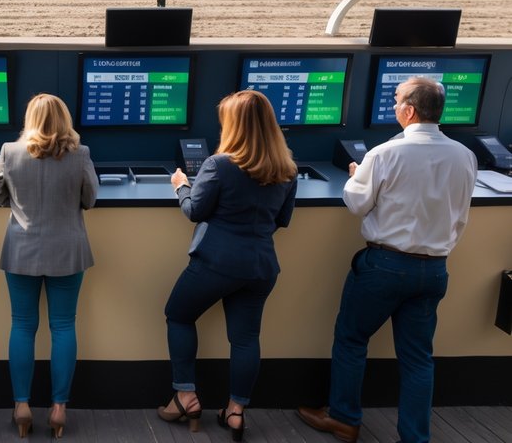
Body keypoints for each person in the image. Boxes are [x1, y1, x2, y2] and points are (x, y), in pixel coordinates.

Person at [297, 76, 476, 443]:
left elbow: (356, 203)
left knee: (351, 340)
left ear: (408, 111)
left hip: (385, 267)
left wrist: (356, 177)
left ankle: (344, 419)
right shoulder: (465, 155)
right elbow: (459, 216)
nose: (394, 107)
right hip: (434, 269)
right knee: (418, 358)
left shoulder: (384, 154)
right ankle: (415, 438)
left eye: (396, 101)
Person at [162, 89, 297, 442]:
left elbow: (195, 210)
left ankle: (185, 396)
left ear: (234, 125)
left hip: (216, 263)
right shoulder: (287, 170)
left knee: (178, 315)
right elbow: (282, 220)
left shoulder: (219, 164)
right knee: (246, 338)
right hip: (261, 266)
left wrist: (181, 186)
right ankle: (235, 412)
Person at [0, 93, 98, 439]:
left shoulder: (10, 152)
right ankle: (59, 409)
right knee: (63, 326)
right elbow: (90, 198)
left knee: (22, 325)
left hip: (21, 251)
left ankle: (22, 406)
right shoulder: (80, 155)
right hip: (68, 251)